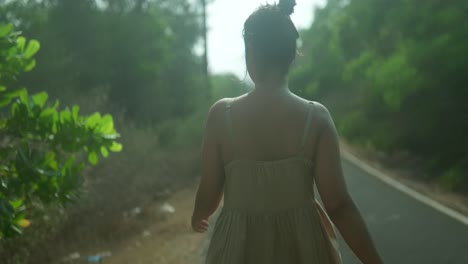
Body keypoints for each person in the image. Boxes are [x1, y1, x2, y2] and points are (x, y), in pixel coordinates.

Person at [191, 0, 383, 263]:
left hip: (238, 249)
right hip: (304, 249)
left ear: (250, 52)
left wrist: (199, 212)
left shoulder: (221, 116)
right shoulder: (316, 118)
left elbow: (209, 192)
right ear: (292, 55)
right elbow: (338, 206)